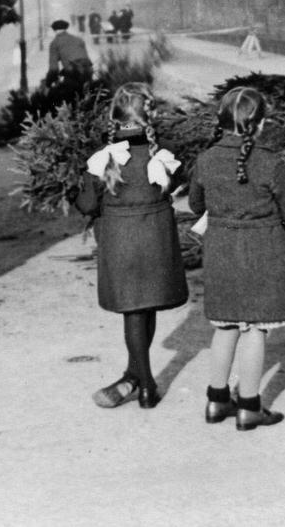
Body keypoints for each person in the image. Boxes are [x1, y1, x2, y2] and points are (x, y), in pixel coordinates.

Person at [188, 86, 285, 431]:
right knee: (256, 327)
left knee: (225, 324)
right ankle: (250, 406)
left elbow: (197, 205)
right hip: (264, 252)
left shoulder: (205, 160)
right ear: (262, 123)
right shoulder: (270, 162)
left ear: (220, 121)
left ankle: (216, 400)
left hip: (221, 252)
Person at [74, 83, 188, 410]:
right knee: (145, 305)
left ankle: (146, 382)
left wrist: (79, 188)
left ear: (115, 116)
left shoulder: (105, 159)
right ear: (149, 115)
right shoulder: (160, 154)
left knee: (132, 309)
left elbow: (87, 204)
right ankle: (134, 375)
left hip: (121, 241)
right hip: (154, 238)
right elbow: (176, 187)